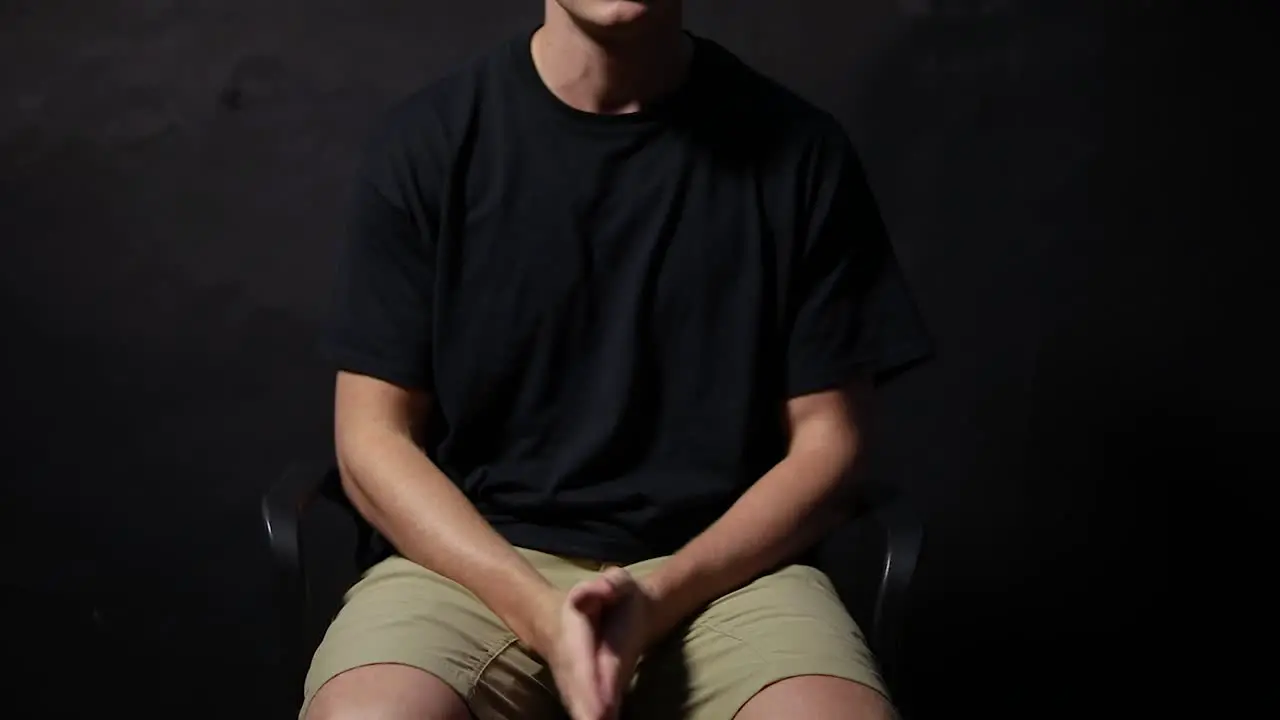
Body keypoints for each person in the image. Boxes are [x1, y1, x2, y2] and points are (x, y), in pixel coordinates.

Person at [304, 0, 931, 718]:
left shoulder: (800, 152)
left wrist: (660, 599)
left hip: (728, 571)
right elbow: (370, 439)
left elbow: (832, 442)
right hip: (476, 565)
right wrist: (536, 609)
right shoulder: (428, 143)